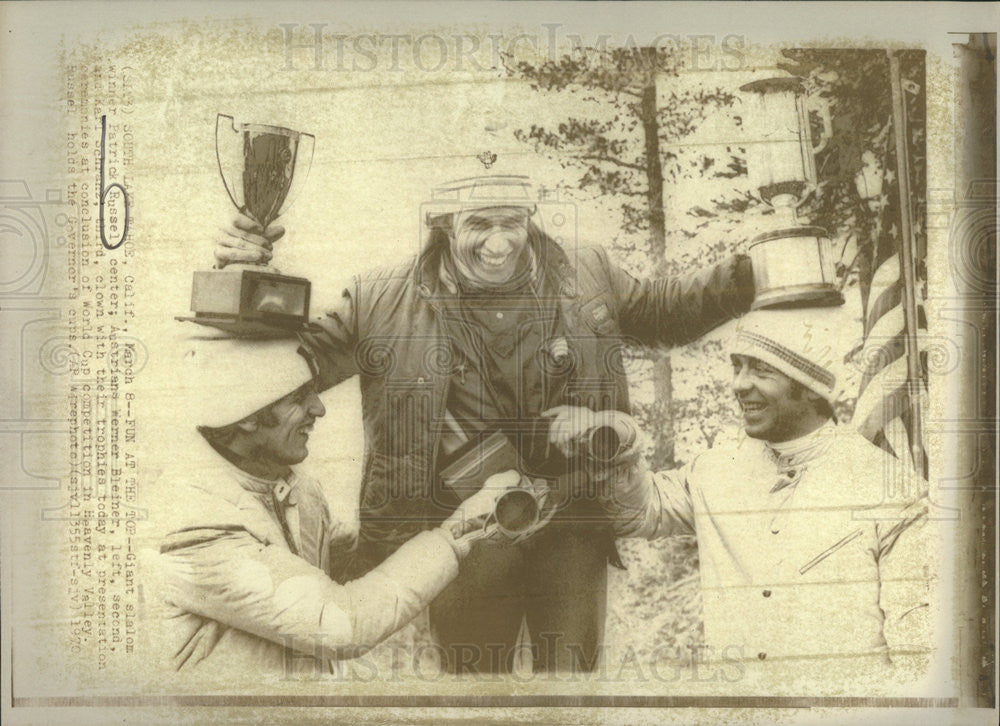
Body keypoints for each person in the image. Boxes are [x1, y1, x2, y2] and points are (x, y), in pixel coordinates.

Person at [214, 175, 756, 673]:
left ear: (530, 219)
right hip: (462, 529)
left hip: (573, 522)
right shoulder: (380, 298)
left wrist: (749, 274)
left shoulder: (587, 271)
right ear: (445, 226)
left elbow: (664, 312)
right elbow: (287, 365)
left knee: (571, 692)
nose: (499, 242)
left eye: (511, 222)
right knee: (474, 689)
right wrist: (242, 280)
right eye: (479, 224)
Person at [550, 308, 933, 669]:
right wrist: (609, 439)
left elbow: (916, 651)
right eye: (737, 367)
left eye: (761, 370)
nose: (738, 385)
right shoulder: (716, 469)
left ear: (814, 387)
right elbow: (639, 512)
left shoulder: (889, 487)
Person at [149, 332, 544, 676]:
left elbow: (352, 570)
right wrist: (458, 529)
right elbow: (340, 623)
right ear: (247, 418)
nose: (319, 409)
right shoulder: (193, 527)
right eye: (300, 398)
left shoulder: (295, 489)